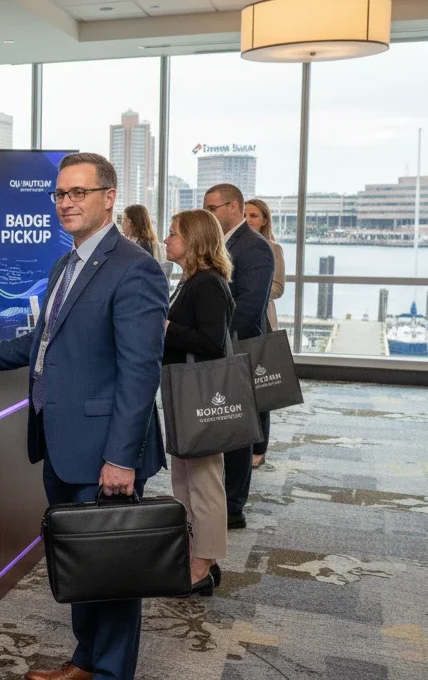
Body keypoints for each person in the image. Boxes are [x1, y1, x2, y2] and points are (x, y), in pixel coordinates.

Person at [0, 152, 168, 680]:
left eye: (78, 193)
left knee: (111, 567)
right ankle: (85, 660)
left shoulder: (134, 267)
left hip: (104, 449)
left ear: (108, 198)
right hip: (61, 439)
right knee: (80, 558)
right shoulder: (67, 262)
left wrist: (121, 458)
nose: (66, 203)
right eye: (60, 194)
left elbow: (140, 373)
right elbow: (45, 342)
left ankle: (112, 672)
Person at [162, 210, 236, 597]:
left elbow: (211, 342)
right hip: (183, 392)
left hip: (202, 396)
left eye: (173, 234)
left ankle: (202, 565)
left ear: (193, 241)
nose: (166, 240)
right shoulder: (191, 281)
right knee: (185, 480)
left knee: (204, 482)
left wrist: (167, 328)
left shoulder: (207, 283)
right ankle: (198, 553)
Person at [202, 183, 275, 530]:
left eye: (212, 208)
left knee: (236, 434)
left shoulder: (256, 248)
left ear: (233, 207)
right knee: (217, 427)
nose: (208, 214)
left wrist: (215, 341)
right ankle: (217, 498)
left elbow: (249, 308)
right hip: (215, 350)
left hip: (237, 349)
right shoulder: (217, 245)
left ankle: (233, 506)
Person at [244, 199, 285, 468]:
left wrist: (252, 293)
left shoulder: (273, 248)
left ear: (264, 220)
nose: (248, 219)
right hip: (238, 321)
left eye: (254, 215)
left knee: (262, 388)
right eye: (245, 214)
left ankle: (260, 448)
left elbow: (279, 287)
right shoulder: (231, 246)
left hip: (263, 322)